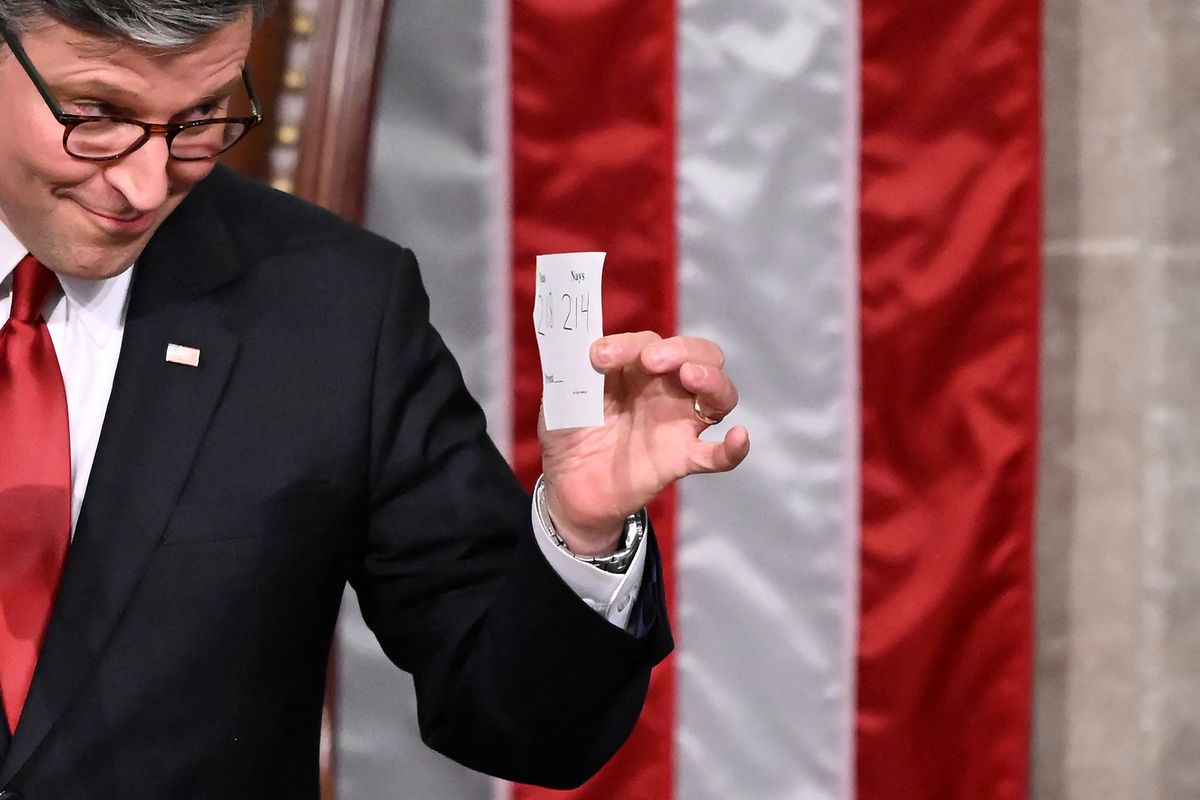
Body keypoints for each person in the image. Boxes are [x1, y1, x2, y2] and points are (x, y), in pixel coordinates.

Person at [0, 1, 749, 797]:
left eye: (201, 117)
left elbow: (526, 724)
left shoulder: (333, 306)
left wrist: (582, 531)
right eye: (98, 114)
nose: (145, 185)